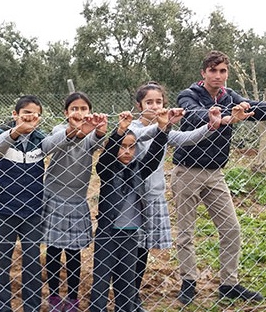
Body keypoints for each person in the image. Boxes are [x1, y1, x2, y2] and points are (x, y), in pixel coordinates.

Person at [172, 50, 266, 305]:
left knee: (231, 229)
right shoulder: (188, 95)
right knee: (186, 232)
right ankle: (189, 282)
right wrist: (225, 118)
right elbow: (194, 115)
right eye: (213, 71)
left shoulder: (230, 96)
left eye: (223, 71)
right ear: (203, 73)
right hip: (187, 172)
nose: (218, 76)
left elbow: (255, 108)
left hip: (215, 173)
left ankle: (229, 284)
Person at [129, 82, 221, 310]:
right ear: (139, 105)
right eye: (149, 102)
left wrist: (210, 126)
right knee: (129, 249)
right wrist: (163, 126)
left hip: (154, 196)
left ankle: (134, 293)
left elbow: (184, 138)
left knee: (143, 250)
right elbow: (139, 135)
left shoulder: (165, 129)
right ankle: (126, 292)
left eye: (158, 102)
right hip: (131, 199)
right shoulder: (131, 127)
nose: (154, 106)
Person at [90, 109, 170, 312]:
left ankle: (125, 308)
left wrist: (162, 129)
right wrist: (120, 131)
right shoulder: (107, 171)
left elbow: (153, 157)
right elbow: (107, 158)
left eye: (131, 147)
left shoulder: (138, 170)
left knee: (126, 280)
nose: (126, 151)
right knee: (101, 279)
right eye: (122, 147)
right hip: (107, 234)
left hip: (131, 234)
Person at [41, 92, 108, 312]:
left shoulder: (89, 136)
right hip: (53, 196)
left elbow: (97, 141)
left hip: (77, 199)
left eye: (83, 109)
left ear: (89, 112)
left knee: (73, 251)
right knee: (52, 250)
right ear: (66, 113)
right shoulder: (60, 131)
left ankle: (71, 297)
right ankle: (52, 296)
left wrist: (99, 130)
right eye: (74, 109)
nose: (79, 112)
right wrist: (75, 131)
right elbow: (51, 145)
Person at [0, 95, 46, 312]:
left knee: (32, 263)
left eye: (35, 114)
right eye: (26, 113)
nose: (30, 118)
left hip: (33, 210)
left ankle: (31, 307)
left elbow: (58, 142)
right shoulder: (0, 135)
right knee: (2, 263)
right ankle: (2, 308)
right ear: (15, 115)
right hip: (4, 209)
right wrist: (16, 131)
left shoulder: (41, 139)